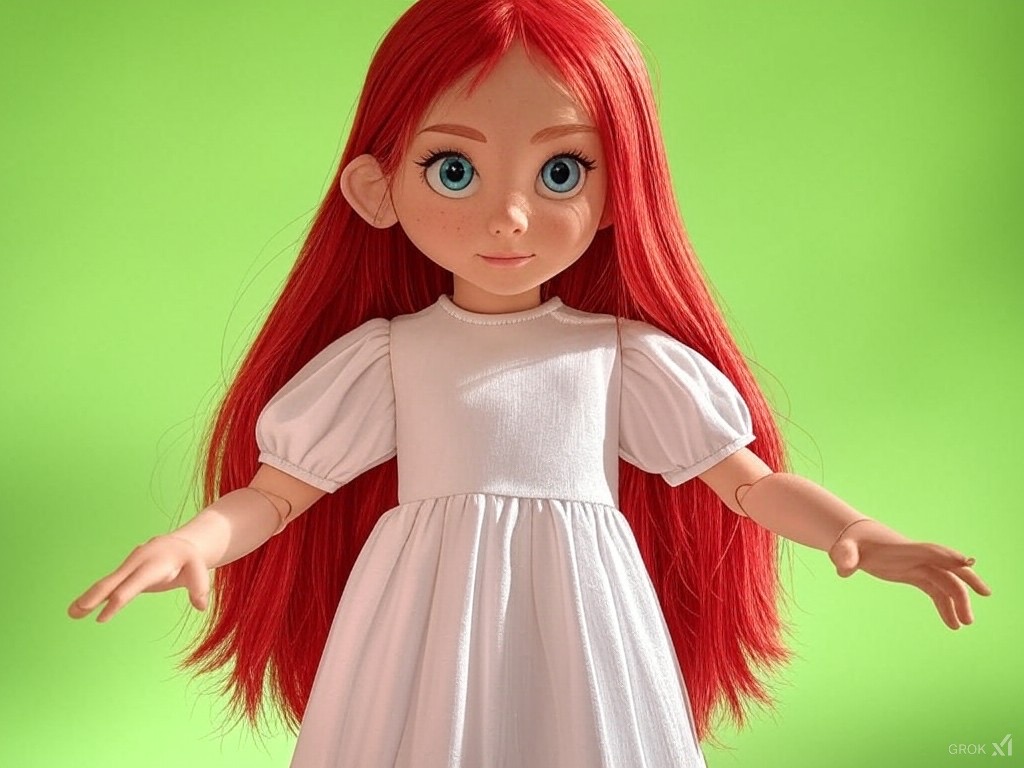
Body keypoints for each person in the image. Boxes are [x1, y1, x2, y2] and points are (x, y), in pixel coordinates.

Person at [67, 1, 991, 766]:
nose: (509, 215)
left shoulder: (621, 357)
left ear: (617, 191)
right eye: (454, 170)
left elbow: (745, 484)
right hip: (425, 616)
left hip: (584, 611)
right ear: (376, 190)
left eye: (560, 171)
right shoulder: (390, 357)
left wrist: (854, 532)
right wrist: (196, 538)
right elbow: (277, 496)